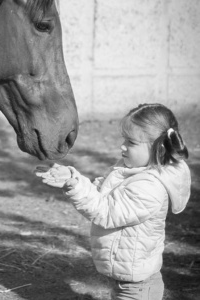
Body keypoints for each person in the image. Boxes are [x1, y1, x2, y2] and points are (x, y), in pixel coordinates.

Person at [34, 103, 191, 300]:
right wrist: (72, 178)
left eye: (131, 142)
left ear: (158, 149)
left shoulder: (150, 187)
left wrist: (74, 188)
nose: (122, 146)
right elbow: (101, 192)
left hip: (139, 288)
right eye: (124, 139)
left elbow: (106, 212)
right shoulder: (130, 170)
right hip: (129, 280)